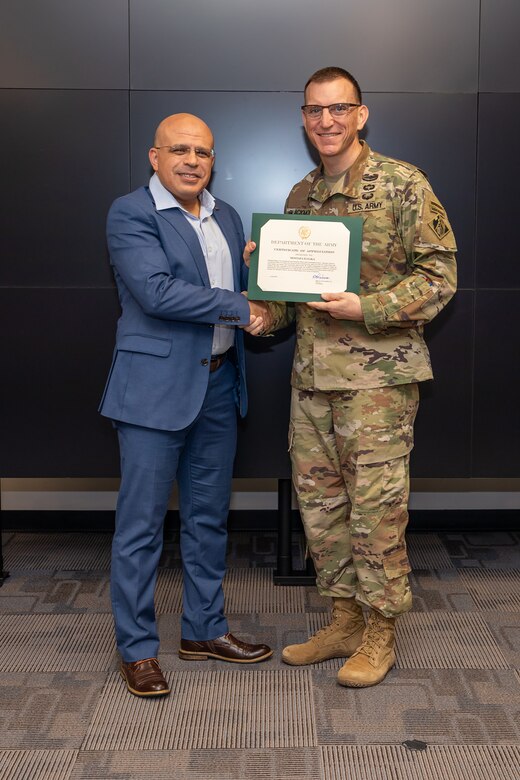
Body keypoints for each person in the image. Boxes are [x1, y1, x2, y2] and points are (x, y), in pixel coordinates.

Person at [247, 66, 457, 687]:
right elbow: (290, 303)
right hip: (311, 384)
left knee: (375, 513)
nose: (326, 121)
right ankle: (342, 619)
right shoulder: (300, 197)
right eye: (315, 111)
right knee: (322, 511)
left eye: (339, 109)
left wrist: (368, 306)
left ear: (361, 114)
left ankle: (380, 633)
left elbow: (440, 277)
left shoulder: (402, 184)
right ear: (304, 119)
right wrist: (262, 299)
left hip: (377, 388)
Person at [99, 113, 273, 697]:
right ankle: (137, 648)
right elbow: (157, 292)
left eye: (202, 151)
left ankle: (203, 630)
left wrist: (264, 276)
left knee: (207, 519)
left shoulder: (225, 215)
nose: (192, 160)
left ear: (213, 160)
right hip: (153, 392)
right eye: (179, 149)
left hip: (219, 385)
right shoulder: (131, 213)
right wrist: (241, 303)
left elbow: (241, 290)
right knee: (142, 527)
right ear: (155, 157)